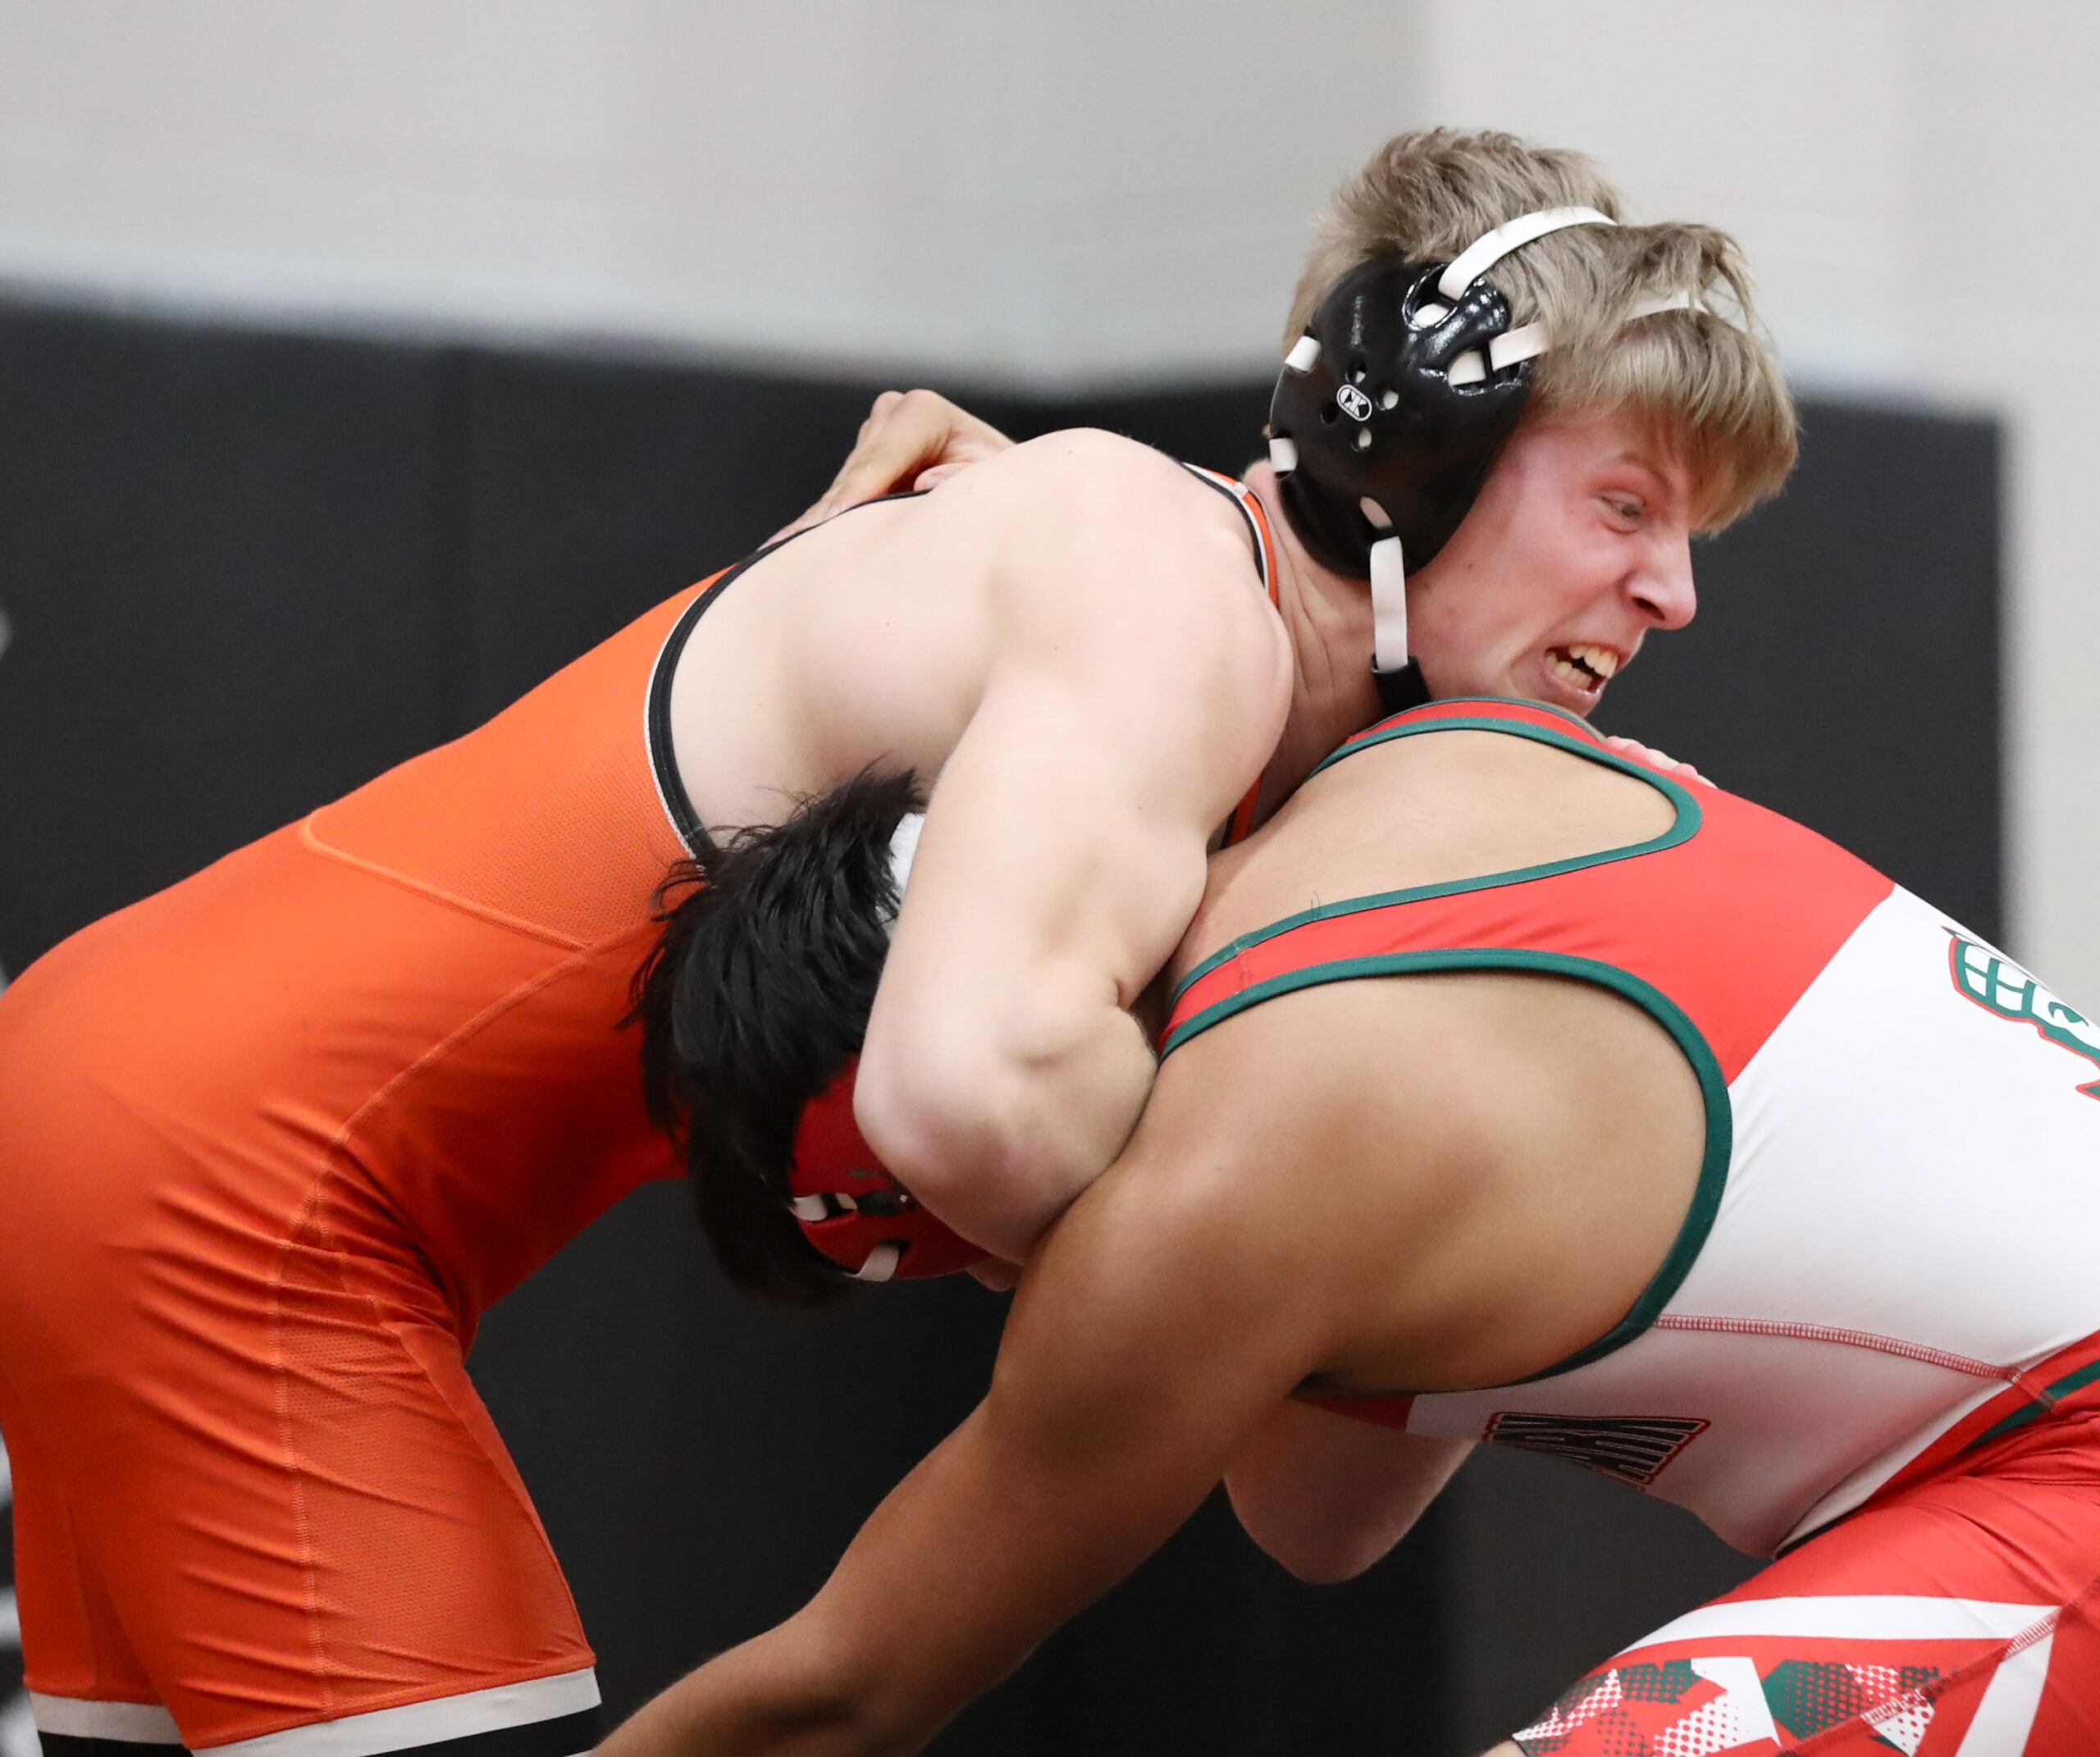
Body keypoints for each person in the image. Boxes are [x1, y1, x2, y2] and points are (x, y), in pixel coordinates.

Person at [0, 129, 1789, 1757]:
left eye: (1691, 534)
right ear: (1404, 450)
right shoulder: (1163, 589)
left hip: (146, 1101)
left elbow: (1312, 1513)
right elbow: (968, 1096)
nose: (1675, 593)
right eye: (1625, 505)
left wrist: (1371, 1208)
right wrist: (1263, 1216)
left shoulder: (1229, 722)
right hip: (234, 1178)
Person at [604, 696, 2100, 1757]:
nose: (1008, 1279)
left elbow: (848, 1694)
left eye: (967, 1234)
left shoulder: (1231, 1165)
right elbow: (1318, 1521)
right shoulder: (1415, 761)